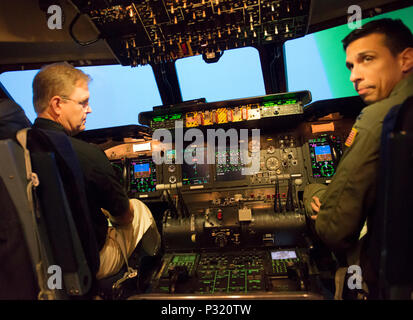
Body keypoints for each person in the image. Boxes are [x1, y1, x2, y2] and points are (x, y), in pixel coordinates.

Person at [303, 18, 413, 298]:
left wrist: (310, 193)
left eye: (367, 59)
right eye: (351, 66)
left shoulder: (382, 115)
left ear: (406, 59)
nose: (354, 76)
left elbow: (335, 229)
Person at [30, 62, 161, 281]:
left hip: (39, 267)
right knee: (138, 209)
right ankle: (150, 276)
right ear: (57, 105)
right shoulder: (85, 154)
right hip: (87, 266)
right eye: (83, 103)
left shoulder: (17, 150)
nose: (89, 109)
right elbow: (125, 217)